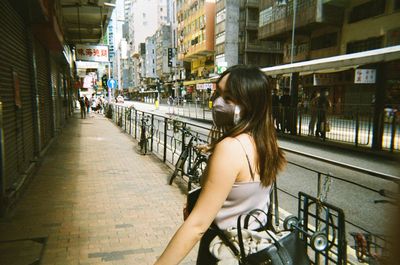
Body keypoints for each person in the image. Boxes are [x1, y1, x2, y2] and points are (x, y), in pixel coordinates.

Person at [154, 65, 286, 265]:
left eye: (228, 98)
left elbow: (197, 225)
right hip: (253, 247)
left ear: (249, 103)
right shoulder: (265, 143)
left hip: (223, 250)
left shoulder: (230, 148)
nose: (218, 103)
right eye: (218, 94)